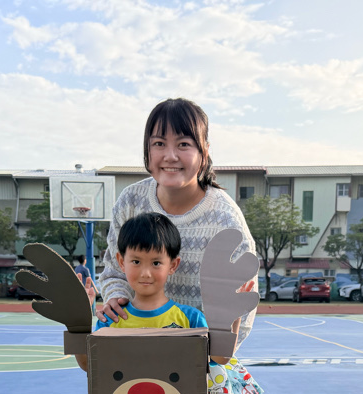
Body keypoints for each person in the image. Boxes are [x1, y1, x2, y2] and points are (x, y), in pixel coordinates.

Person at [94, 97, 257, 349]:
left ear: (204, 151)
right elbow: (115, 270)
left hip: (198, 357)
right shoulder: (130, 201)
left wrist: (211, 355)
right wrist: (116, 297)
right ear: (147, 150)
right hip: (136, 349)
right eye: (159, 143)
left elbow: (241, 306)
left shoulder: (226, 220)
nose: (170, 156)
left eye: (183, 144)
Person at [75, 213, 208, 371]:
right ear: (121, 262)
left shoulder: (191, 319)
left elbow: (217, 359)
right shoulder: (111, 320)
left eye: (156, 263)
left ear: (173, 265)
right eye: (136, 261)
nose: (145, 273)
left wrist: (230, 315)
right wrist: (78, 321)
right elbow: (89, 365)